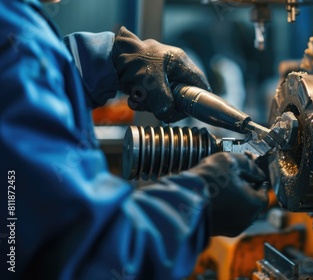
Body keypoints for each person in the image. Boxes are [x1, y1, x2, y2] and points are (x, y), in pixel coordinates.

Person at [0, 0, 268, 279]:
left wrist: (106, 59)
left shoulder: (14, 23)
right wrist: (197, 208)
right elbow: (84, 254)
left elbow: (30, 80)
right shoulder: (12, 35)